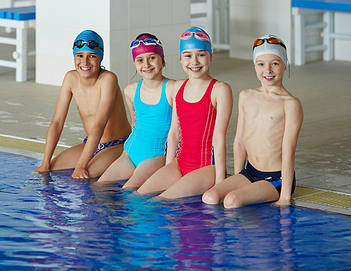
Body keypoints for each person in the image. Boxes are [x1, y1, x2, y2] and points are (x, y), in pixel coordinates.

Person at [202, 34, 304, 208]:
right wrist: (237, 176)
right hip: (250, 171)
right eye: (261, 64)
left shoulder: (290, 104)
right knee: (209, 197)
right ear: (255, 66)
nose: (268, 70)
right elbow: (240, 142)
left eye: (275, 63)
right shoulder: (246, 96)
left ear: (285, 65)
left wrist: (285, 197)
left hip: (275, 177)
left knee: (232, 200)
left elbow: (289, 151)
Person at [138, 26, 233, 199]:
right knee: (139, 197)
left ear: (211, 57)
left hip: (207, 168)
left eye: (201, 54)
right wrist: (168, 167)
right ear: (181, 59)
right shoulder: (178, 87)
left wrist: (220, 183)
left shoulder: (219, 90)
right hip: (180, 163)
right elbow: (174, 132)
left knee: (161, 200)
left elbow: (219, 139)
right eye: (188, 55)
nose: (194, 61)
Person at [35, 30, 131, 180]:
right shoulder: (70, 78)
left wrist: (81, 165)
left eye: (91, 56)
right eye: (80, 55)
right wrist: (45, 162)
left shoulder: (108, 79)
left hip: (117, 144)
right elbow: (57, 122)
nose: (84, 62)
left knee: (86, 176)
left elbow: (99, 125)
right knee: (49, 171)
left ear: (100, 58)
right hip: (91, 143)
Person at [98, 33, 176, 189]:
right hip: (130, 152)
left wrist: (171, 162)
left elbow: (179, 128)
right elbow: (134, 123)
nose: (146, 64)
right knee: (99, 187)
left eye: (152, 57)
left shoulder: (173, 88)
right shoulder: (130, 90)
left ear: (163, 60)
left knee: (129, 191)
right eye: (140, 60)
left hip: (156, 155)